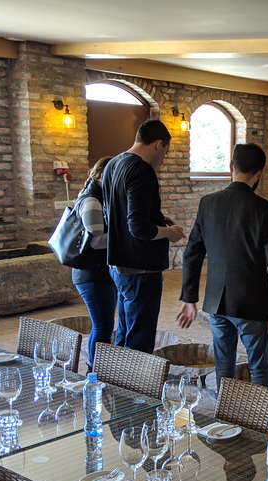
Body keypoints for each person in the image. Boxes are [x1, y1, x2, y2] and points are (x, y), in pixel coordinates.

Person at [177, 143, 268, 389]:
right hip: (252, 303)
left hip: (216, 302)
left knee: (223, 367)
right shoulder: (265, 209)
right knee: (258, 367)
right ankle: (258, 423)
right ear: (260, 172)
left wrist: (189, 298)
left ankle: (224, 419)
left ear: (231, 167)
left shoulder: (207, 203)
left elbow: (191, 254)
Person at [102, 119, 185, 354]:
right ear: (159, 144)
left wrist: (158, 219)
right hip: (140, 269)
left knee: (124, 333)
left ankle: (116, 385)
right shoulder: (141, 170)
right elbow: (138, 227)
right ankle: (134, 389)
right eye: (165, 153)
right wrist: (169, 233)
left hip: (118, 263)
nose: (162, 161)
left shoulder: (112, 164)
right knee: (139, 343)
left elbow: (116, 213)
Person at [71, 156, 115, 371]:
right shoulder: (91, 201)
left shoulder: (97, 196)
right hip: (91, 274)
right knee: (102, 326)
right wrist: (126, 237)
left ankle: (96, 368)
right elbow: (96, 241)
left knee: (104, 324)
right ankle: (93, 371)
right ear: (101, 175)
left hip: (97, 272)